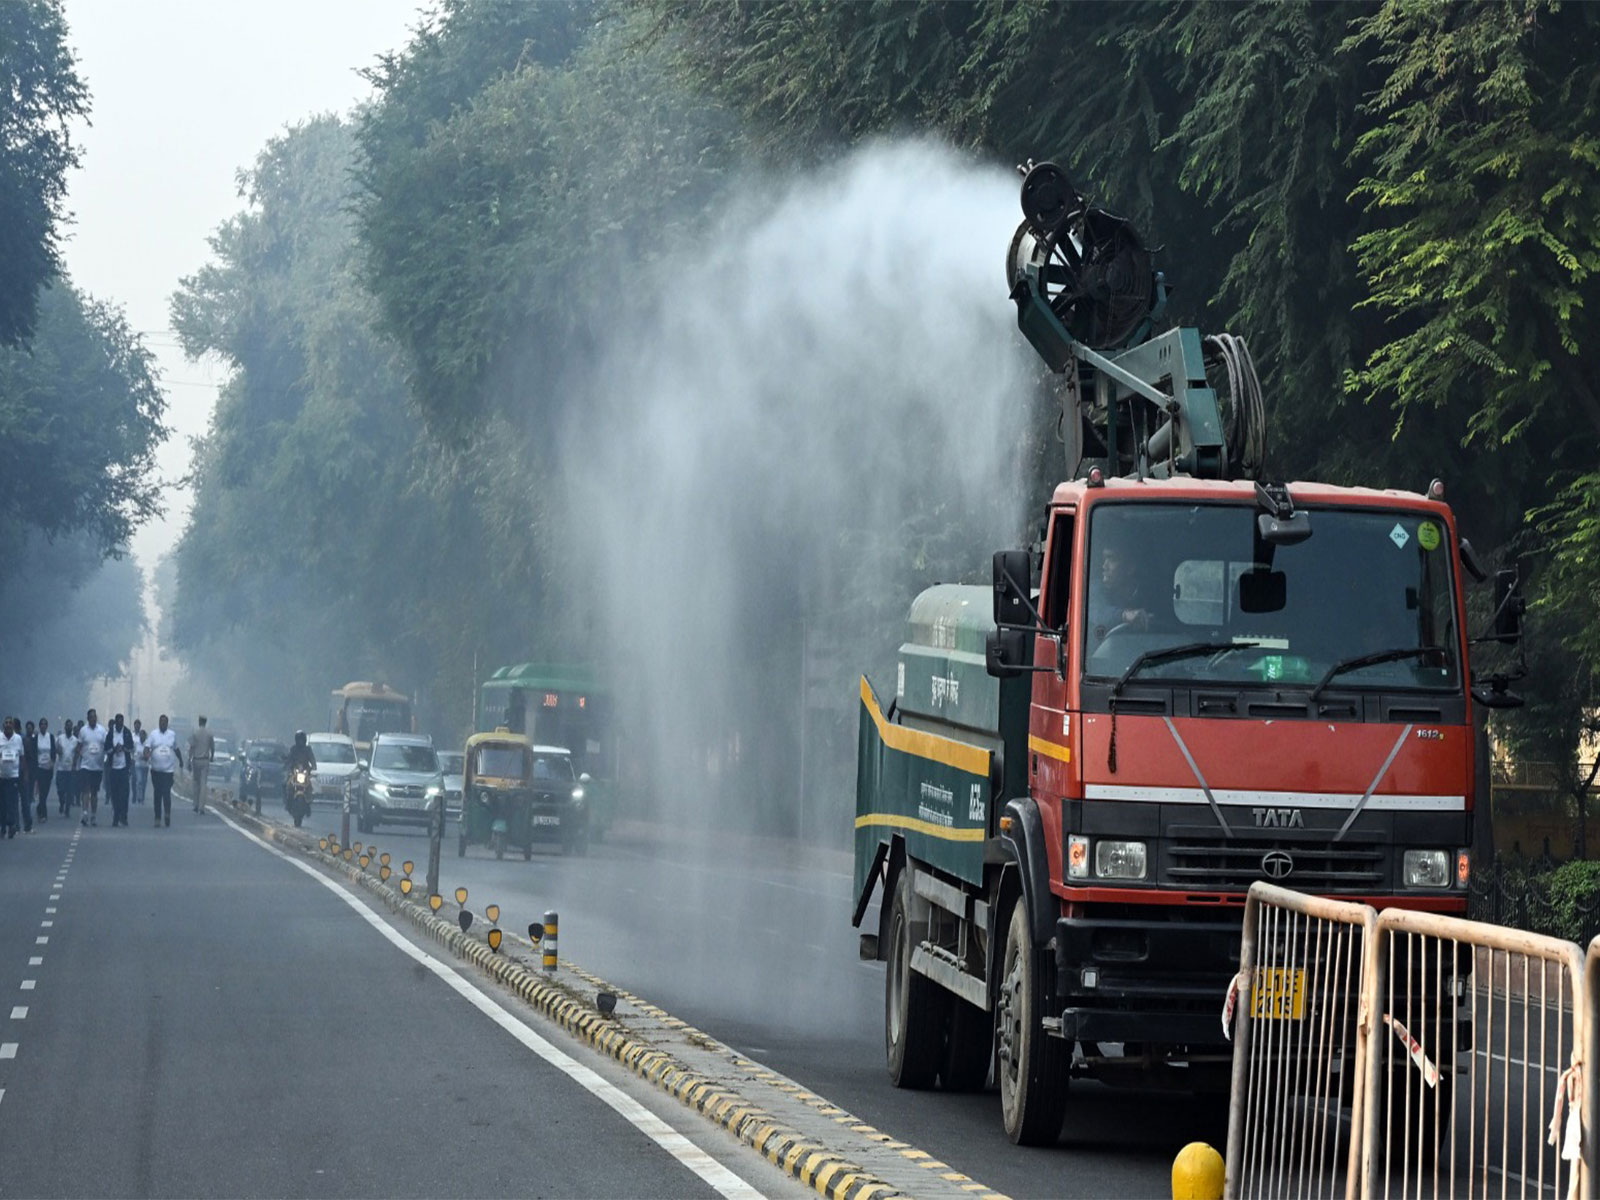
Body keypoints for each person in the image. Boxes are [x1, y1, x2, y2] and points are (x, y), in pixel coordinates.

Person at [146, 714, 181, 827]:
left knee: (166, 792)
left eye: (165, 722)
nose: (163, 724)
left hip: (168, 770)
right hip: (156, 770)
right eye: (161, 722)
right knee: (157, 793)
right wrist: (146, 755)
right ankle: (157, 817)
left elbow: (176, 748)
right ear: (159, 722)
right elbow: (147, 747)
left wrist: (181, 760)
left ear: (167, 723)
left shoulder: (172, 735)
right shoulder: (153, 734)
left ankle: (167, 814)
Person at [75, 709, 106, 826]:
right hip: (85, 765)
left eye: (94, 717)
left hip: (97, 767)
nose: (93, 719)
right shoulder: (83, 731)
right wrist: (77, 759)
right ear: (88, 719)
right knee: (85, 791)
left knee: (94, 792)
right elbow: (78, 746)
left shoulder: (102, 731)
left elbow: (106, 745)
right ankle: (84, 813)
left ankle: (93, 815)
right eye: (91, 717)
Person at [105, 714, 134, 827]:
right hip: (113, 768)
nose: (119, 725)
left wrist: (123, 748)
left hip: (124, 768)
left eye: (121, 722)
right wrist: (113, 749)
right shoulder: (110, 733)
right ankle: (116, 816)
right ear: (115, 723)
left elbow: (131, 747)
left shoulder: (127, 732)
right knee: (115, 794)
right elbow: (106, 748)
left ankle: (124, 816)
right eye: (118, 722)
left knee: (124, 794)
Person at [27, 717, 56, 823]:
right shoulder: (36, 738)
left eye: (45, 724)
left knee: (45, 791)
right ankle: (43, 813)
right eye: (41, 724)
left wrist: (52, 762)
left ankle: (40, 807)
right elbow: (33, 753)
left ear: (47, 726)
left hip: (48, 768)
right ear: (39, 726)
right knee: (41, 792)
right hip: (39, 768)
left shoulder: (51, 737)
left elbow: (53, 751)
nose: (43, 726)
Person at [0, 717, 23, 838]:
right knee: (2, 803)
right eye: (6, 723)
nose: (8, 725)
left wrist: (24, 774)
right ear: (3, 725)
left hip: (14, 776)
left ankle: (12, 824)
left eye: (10, 723)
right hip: (1, 776)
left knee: (12, 802)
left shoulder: (18, 739)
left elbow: (22, 755)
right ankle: (3, 827)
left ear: (13, 726)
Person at [188, 715, 215, 814]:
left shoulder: (195, 732)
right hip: (205, 760)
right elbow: (212, 747)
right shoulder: (209, 733)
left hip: (196, 760)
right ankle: (201, 807)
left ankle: (195, 804)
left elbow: (191, 747)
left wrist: (189, 759)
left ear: (199, 722)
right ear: (205, 722)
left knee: (196, 783)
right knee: (203, 784)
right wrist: (212, 756)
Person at [54, 718, 75, 815]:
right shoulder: (60, 738)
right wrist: (58, 750)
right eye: (67, 726)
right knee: (60, 790)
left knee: (70, 790)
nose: (69, 727)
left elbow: (78, 753)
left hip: (71, 769)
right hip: (61, 768)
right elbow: (56, 749)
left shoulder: (75, 740)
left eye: (70, 726)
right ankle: (62, 802)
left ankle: (67, 808)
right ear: (65, 727)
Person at [131, 719, 149, 807]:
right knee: (138, 780)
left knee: (144, 782)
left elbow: (149, 754)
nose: (142, 737)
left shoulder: (147, 744)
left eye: (143, 736)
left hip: (145, 766)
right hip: (137, 764)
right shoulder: (136, 743)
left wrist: (146, 756)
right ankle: (137, 796)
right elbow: (132, 750)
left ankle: (142, 797)